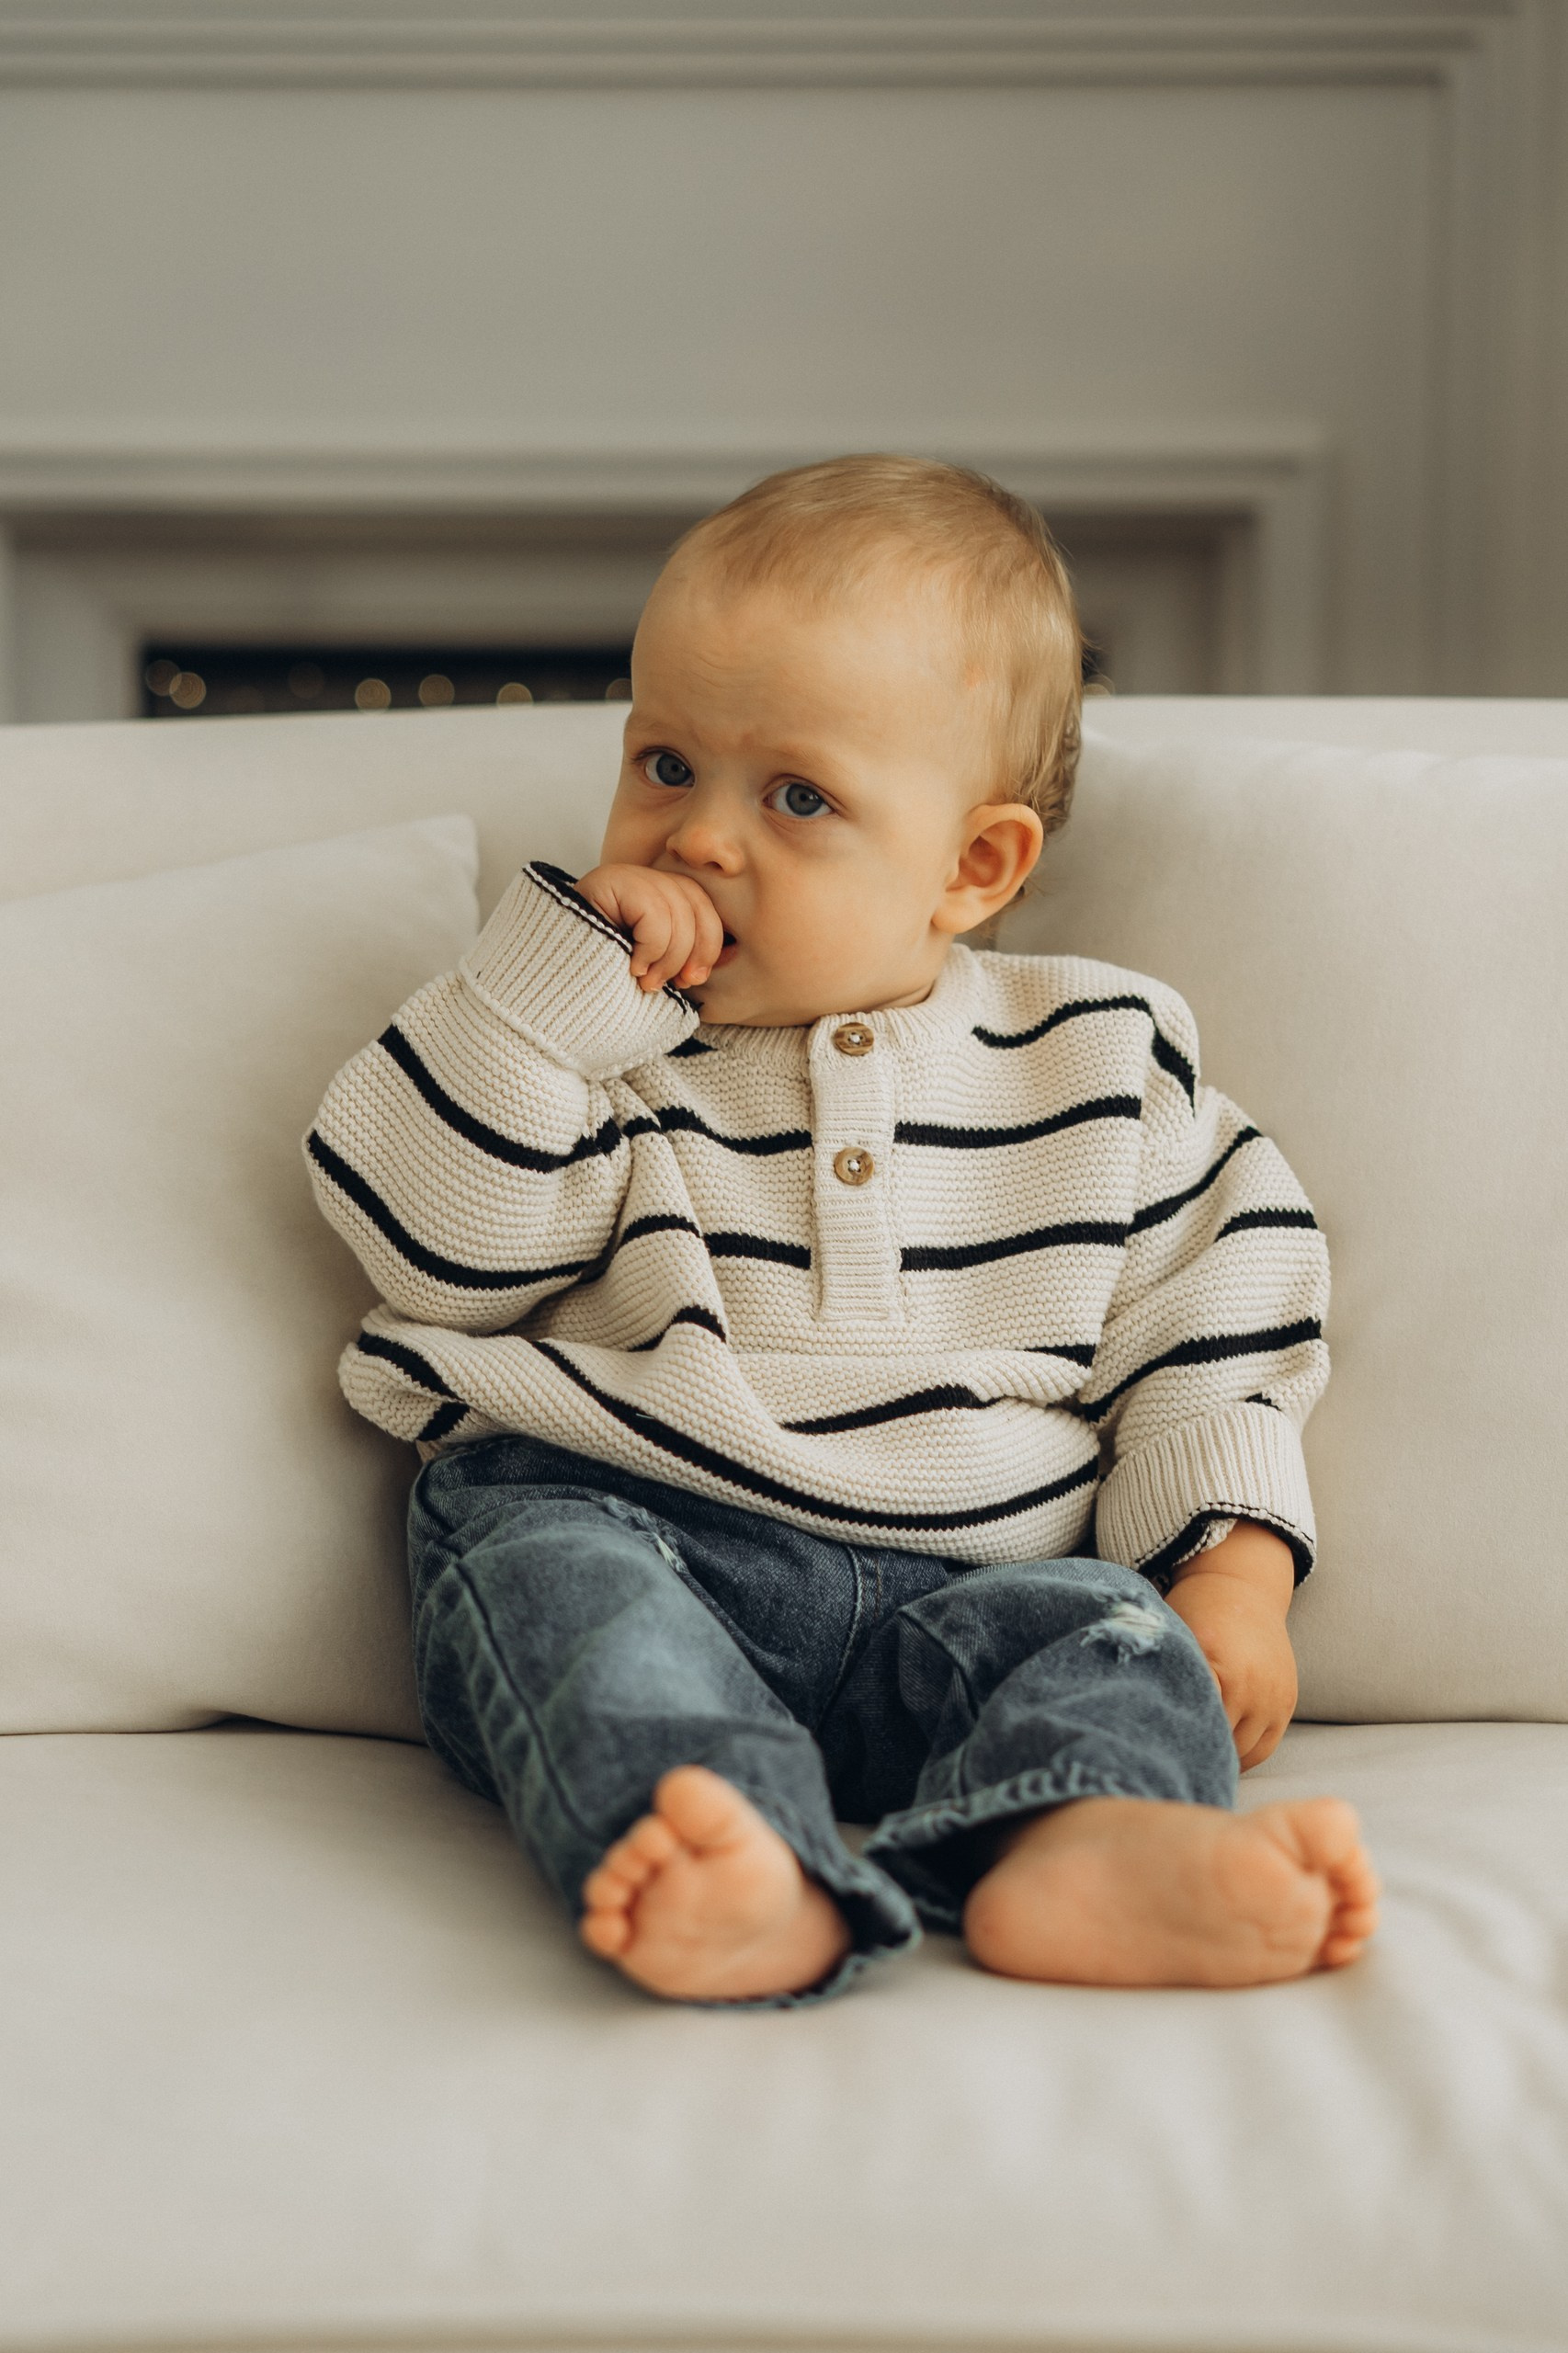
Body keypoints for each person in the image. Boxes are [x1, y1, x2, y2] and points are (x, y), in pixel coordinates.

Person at [307, 455, 1381, 2007]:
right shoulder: (594, 1041)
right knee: (556, 1588)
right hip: (636, 1518)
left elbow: (1218, 1335)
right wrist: (551, 997)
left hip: (971, 1575)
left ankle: (1084, 1842)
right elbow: (432, 1251)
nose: (697, 839)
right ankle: (733, 1856)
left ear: (972, 866)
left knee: (1107, 1638)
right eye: (665, 763)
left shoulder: (1098, 1067)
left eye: (795, 796)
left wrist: (1231, 1580)